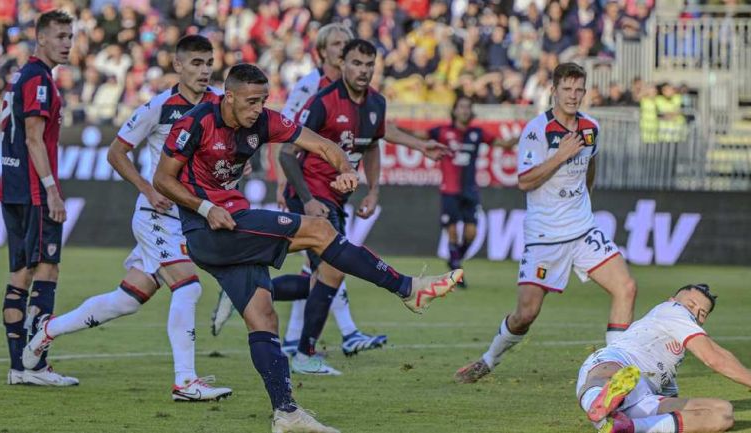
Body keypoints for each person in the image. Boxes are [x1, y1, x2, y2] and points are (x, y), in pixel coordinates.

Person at [152, 63, 461, 432]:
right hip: (209, 229)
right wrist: (206, 207)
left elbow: (321, 144)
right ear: (228, 97)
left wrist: (345, 169)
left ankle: (286, 413)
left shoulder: (263, 120)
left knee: (263, 316)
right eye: (251, 102)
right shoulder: (196, 122)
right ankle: (408, 288)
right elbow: (162, 179)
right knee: (318, 229)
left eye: (263, 101)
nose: (257, 109)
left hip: (232, 225)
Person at [210, 24, 450, 358]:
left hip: (336, 195)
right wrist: (297, 191)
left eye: (368, 64)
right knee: (332, 270)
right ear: (330, 55)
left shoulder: (375, 101)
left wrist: (375, 187)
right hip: (311, 192)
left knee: (320, 276)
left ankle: (257, 304)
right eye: (342, 49)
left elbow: (373, 141)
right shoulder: (316, 92)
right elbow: (288, 138)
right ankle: (311, 349)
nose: (358, 65)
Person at [23, 35, 232, 401]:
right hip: (158, 214)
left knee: (127, 300)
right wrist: (148, 189)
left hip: (189, 215)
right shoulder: (160, 106)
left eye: (208, 62)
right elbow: (117, 152)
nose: (203, 70)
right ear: (177, 65)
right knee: (189, 286)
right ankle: (185, 382)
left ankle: (47, 329)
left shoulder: (219, 104)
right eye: (195, 63)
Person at [454, 63, 638, 383]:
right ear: (553, 91)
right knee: (526, 315)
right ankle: (488, 359)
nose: (573, 96)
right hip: (544, 236)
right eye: (566, 89)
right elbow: (524, 182)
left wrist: (586, 196)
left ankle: (613, 372)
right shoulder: (537, 131)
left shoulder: (591, 127)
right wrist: (561, 155)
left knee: (626, 287)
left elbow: (590, 163)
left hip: (582, 229)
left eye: (579, 89)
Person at [0, 10, 78, 386]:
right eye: (60, 36)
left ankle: (20, 367)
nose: (67, 43)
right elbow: (33, 138)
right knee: (47, 269)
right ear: (41, 38)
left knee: (20, 275)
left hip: (10, 186)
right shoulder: (39, 80)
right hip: (32, 190)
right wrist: (51, 191)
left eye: (70, 36)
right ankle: (35, 365)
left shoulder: (21, 76)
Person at [576, 284, 746, 433]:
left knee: (723, 413)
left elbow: (670, 396)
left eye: (702, 313)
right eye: (691, 304)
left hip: (643, 398)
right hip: (617, 362)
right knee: (612, 374)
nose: (694, 313)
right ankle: (598, 403)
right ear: (671, 300)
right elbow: (714, 358)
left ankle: (626, 426)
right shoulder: (672, 310)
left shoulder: (675, 352)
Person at [424, 95, 517, 287]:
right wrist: (392, 130)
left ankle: (455, 259)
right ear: (455, 110)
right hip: (449, 190)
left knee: (471, 233)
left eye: (468, 107)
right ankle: (456, 269)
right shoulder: (442, 131)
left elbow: (504, 144)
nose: (465, 110)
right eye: (461, 107)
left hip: (470, 190)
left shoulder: (477, 132)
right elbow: (419, 137)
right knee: (452, 233)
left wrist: (526, 134)